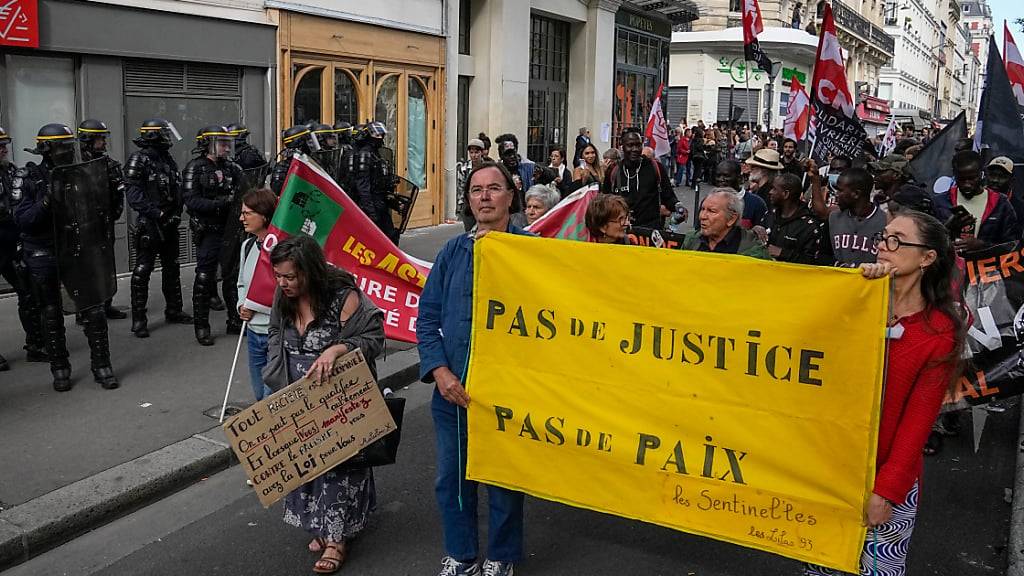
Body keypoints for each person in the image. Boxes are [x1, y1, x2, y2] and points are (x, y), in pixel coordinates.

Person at [804, 209, 965, 576]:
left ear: (927, 258)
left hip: (886, 478)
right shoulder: (858, 300)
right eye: (883, 237)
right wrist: (856, 290)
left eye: (897, 241)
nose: (883, 247)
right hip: (830, 469)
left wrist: (888, 491)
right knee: (820, 568)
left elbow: (917, 424)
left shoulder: (938, 332)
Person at [417, 161, 528, 576]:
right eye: (476, 189)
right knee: (452, 480)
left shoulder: (533, 252)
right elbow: (427, 318)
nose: (484, 196)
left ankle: (501, 557)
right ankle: (462, 555)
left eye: (493, 188)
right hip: (454, 391)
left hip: (507, 393)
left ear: (510, 197)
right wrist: (440, 372)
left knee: (504, 481)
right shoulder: (452, 251)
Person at [266, 234, 384, 575]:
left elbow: (374, 338)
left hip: (340, 401)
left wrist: (337, 349)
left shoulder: (343, 298)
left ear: (310, 272)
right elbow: (276, 332)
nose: (283, 283)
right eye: (279, 276)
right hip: (298, 397)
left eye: (291, 277)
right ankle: (320, 525)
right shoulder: (283, 296)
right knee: (308, 465)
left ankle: (336, 540)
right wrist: (277, 373)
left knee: (338, 467)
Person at [15, 124, 119, 390]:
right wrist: (48, 201)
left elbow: (96, 210)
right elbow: (24, 220)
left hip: (77, 248)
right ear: (47, 149)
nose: (66, 152)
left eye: (68, 146)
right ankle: (60, 367)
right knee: (51, 312)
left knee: (93, 308)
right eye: (61, 147)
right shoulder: (29, 177)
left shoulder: (81, 173)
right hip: (45, 251)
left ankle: (102, 364)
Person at [125, 119, 193, 338]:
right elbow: (134, 195)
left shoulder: (167, 160)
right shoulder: (139, 159)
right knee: (143, 270)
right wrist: (157, 213)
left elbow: (176, 187)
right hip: (150, 223)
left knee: (172, 267)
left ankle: (174, 309)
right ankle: (139, 319)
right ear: (154, 136)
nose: (168, 138)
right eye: (164, 133)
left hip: (169, 221)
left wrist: (175, 212)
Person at [183, 125, 245, 346]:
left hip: (230, 229)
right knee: (204, 278)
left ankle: (234, 320)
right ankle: (202, 326)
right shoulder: (195, 168)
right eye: (222, 143)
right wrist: (220, 204)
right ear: (207, 144)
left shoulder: (232, 168)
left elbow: (244, 190)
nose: (227, 147)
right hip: (208, 230)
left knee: (232, 277)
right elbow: (191, 200)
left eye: (228, 143)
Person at [0, 126, 45, 369]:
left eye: (5, 144)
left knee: (28, 293)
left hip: (14, 241)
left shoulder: (12, 171)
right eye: (0, 146)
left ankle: (35, 345)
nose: (4, 149)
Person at [76, 119, 128, 322]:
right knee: (86, 269)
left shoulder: (108, 164)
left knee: (106, 266)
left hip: (104, 224)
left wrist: (114, 212)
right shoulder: (76, 165)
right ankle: (85, 310)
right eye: (100, 139)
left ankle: (106, 304)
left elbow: (117, 193)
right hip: (84, 225)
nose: (104, 143)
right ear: (88, 140)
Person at [933, 150, 1020, 252]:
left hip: (987, 266)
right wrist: (948, 228)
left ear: (981, 174)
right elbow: (927, 241)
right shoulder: (941, 202)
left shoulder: (1001, 204)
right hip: (950, 265)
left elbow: (1013, 245)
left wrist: (982, 246)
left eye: (972, 178)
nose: (967, 184)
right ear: (954, 175)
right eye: (962, 179)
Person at [236, 187, 277, 401]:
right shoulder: (247, 246)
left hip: (276, 333)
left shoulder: (282, 248)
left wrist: (257, 306)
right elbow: (242, 283)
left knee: (272, 398)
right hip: (253, 332)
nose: (242, 218)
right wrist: (242, 305)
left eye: (247, 213)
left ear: (264, 215)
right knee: (260, 395)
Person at [603, 129, 676, 229]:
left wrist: (678, 207)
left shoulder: (655, 167)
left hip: (650, 230)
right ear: (622, 147)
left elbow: (669, 196)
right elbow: (605, 202)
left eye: (638, 145)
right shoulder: (613, 171)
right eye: (630, 145)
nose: (635, 149)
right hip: (622, 231)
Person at [341, 122, 400, 244]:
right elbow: (362, 186)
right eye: (377, 135)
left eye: (381, 135)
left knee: (391, 236)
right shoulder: (365, 154)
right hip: (371, 203)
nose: (380, 138)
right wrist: (370, 211)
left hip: (380, 201)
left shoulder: (376, 154)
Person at [815, 166, 886, 267]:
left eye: (840, 190)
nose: (836, 194)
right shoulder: (833, 218)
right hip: (839, 280)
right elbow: (821, 256)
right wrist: (838, 264)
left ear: (856, 194)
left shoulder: (886, 222)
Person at [680, 188, 770, 258]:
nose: (702, 216)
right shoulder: (692, 240)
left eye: (712, 211)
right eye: (703, 209)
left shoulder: (751, 249)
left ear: (732, 219)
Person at [765, 173, 825, 264]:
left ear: (786, 194)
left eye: (774, 189)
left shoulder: (809, 227)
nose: (770, 192)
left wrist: (783, 253)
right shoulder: (770, 215)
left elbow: (813, 262)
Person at [714, 160, 768, 229]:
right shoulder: (708, 202)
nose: (721, 179)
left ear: (739, 178)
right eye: (718, 176)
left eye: (726, 176)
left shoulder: (756, 203)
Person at [269, 125, 320, 196]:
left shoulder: (313, 163)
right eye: (308, 140)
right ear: (299, 142)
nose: (311, 144)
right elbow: (277, 191)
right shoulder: (283, 166)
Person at [495, 133, 535, 207]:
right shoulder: (497, 171)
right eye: (508, 154)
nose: (512, 157)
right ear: (501, 155)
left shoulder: (528, 167)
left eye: (514, 153)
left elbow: (550, 175)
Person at [457, 138, 487, 231]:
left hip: (483, 200)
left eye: (476, 152)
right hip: (468, 202)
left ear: (482, 152)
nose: (474, 155)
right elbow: (461, 187)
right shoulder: (464, 168)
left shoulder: (487, 167)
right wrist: (461, 206)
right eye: (471, 152)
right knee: (469, 230)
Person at [984, 156, 1023, 224]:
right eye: (992, 175)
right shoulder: (976, 199)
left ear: (1011, 181)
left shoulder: (1019, 208)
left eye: (1002, 176)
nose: (995, 180)